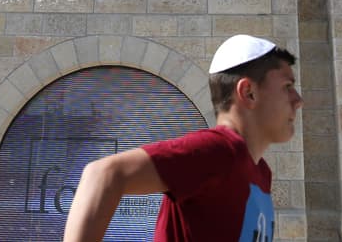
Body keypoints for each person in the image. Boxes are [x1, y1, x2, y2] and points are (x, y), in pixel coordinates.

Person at [62, 34, 302, 242]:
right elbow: (104, 173)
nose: (298, 100)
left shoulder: (261, 172)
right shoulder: (217, 151)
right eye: (287, 86)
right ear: (248, 92)